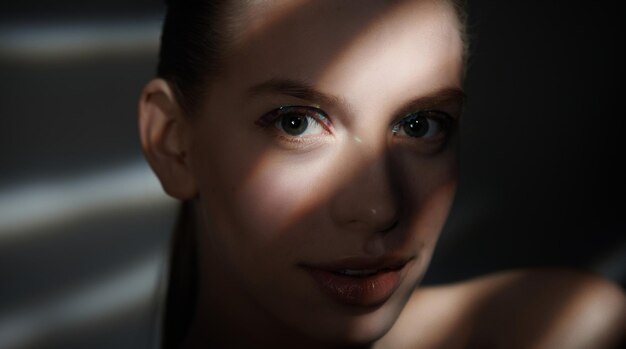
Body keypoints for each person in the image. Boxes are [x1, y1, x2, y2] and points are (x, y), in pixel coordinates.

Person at [137, 0, 626, 348]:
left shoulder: (554, 330)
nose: (380, 207)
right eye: (296, 121)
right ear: (173, 145)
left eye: (420, 125)